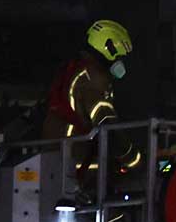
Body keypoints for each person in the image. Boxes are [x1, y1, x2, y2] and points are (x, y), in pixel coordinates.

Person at [42, 19, 140, 173]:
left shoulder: (78, 72)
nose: (121, 63)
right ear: (109, 50)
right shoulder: (93, 79)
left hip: (60, 162)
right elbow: (107, 124)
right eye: (120, 57)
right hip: (74, 165)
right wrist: (134, 160)